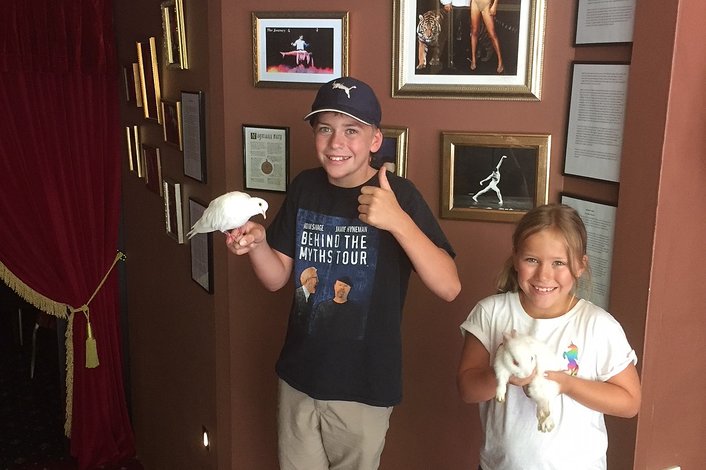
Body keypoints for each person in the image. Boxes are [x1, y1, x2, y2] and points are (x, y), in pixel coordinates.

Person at [227, 76, 461, 470]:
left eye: (351, 130)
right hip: (299, 377)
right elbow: (276, 278)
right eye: (325, 129)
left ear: (374, 140)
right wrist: (258, 245)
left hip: (363, 387)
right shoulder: (305, 186)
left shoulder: (400, 195)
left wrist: (397, 221)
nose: (336, 142)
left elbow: (449, 286)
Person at [457, 203, 641, 470]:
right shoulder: (491, 313)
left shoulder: (598, 325)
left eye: (559, 263)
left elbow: (630, 402)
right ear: (516, 258)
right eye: (532, 260)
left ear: (580, 266)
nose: (544, 275)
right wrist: (504, 374)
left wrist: (566, 385)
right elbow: (467, 389)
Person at [469, 0, 504, 73]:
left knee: (492, 33)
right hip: (475, 3)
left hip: (486, 3)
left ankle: (500, 61)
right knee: (474, 31)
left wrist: (495, 5)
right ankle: (473, 59)